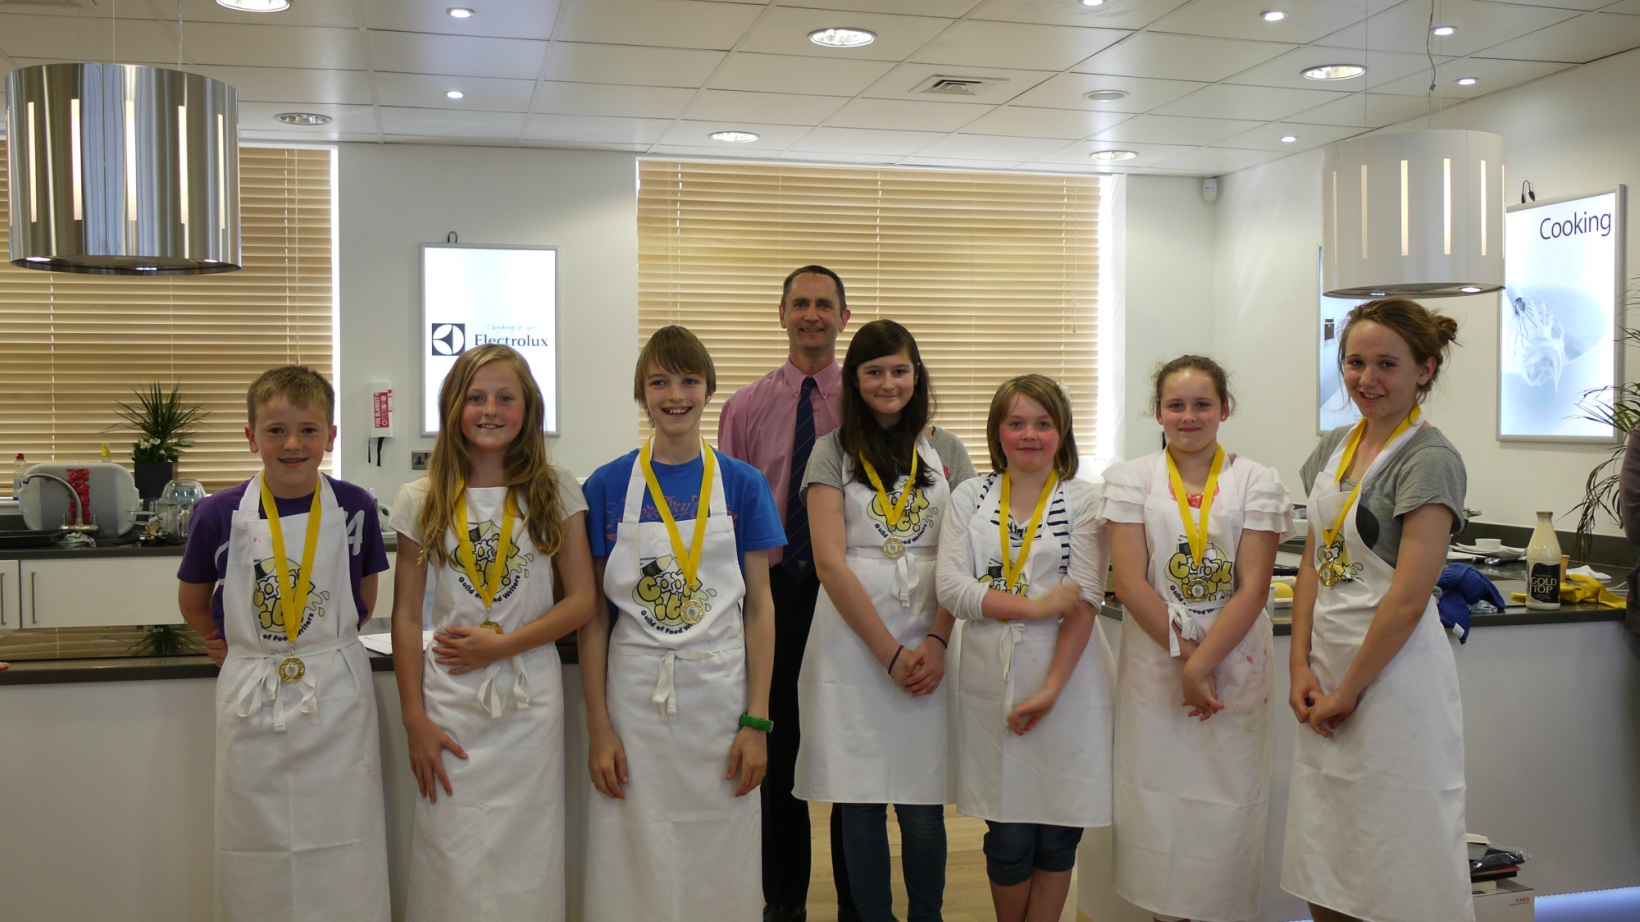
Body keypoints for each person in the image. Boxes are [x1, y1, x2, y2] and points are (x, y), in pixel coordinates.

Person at [580, 325, 783, 921]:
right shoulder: (608, 484)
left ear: (709, 389)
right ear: (642, 392)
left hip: (721, 698)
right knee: (629, 844)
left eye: (689, 381)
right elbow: (594, 617)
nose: (676, 394)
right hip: (634, 699)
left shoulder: (743, 484)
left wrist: (757, 722)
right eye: (659, 381)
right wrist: (598, 727)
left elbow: (762, 607)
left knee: (720, 843)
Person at [388, 344, 595, 922]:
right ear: (453, 406)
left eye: (506, 397)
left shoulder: (555, 488)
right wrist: (414, 719)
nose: (490, 409)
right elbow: (406, 617)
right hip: (450, 700)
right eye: (475, 397)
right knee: (450, 848)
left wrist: (503, 645)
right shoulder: (420, 497)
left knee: (528, 847)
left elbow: (582, 600)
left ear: (529, 407)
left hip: (529, 694)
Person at [177, 365, 390, 920]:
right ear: (251, 437)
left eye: (309, 430)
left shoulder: (356, 506)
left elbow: (365, 593)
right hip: (253, 685)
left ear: (331, 436)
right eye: (275, 431)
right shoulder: (218, 514)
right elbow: (194, 598)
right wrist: (216, 639)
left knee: (343, 830)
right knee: (254, 836)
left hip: (336, 690)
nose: (292, 444)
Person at [1281, 298, 1471, 922]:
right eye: (1355, 362)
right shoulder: (1334, 447)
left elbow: (1409, 598)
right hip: (1327, 676)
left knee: (1395, 861)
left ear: (1425, 369)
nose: (1367, 379)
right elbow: (1312, 564)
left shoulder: (1429, 459)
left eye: (1387, 364)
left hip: (1392, 685)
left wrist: (1350, 691)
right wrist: (1300, 667)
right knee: (1328, 854)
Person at [793, 319, 976, 922]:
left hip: (933, 628)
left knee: (923, 805)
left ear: (916, 374)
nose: (888, 382)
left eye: (899, 369)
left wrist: (935, 640)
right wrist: (890, 653)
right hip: (853, 641)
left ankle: (928, 916)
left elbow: (965, 553)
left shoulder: (947, 450)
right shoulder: (831, 450)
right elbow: (828, 560)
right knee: (862, 800)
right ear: (855, 379)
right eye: (873, 371)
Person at [1102, 355, 1292, 922]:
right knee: (1156, 804)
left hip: (1236, 665)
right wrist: (1185, 660)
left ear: (1224, 410)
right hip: (1154, 666)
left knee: (1226, 808)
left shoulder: (1257, 481)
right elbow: (1131, 582)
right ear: (1156, 412)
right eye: (1176, 405)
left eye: (1202, 404)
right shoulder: (1130, 479)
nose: (1189, 416)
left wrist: (1202, 665)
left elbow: (1253, 588)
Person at [936, 374, 1115, 922]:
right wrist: (1035, 607)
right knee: (1009, 831)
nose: (1029, 435)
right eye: (1016, 423)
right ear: (997, 432)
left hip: (1072, 677)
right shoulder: (970, 495)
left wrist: (1052, 691)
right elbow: (950, 588)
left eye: (1043, 423)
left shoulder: (1087, 500)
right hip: (992, 673)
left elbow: (1082, 601)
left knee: (1060, 830)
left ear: (1062, 433)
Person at [718, 264, 857, 922]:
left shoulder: (864, 403)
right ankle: (783, 903)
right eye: (800, 303)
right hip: (771, 592)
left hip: (846, 594)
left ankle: (858, 902)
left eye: (824, 305)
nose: (811, 315)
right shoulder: (744, 407)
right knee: (778, 752)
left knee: (850, 754)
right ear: (781, 315)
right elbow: (727, 516)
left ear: (843, 318)